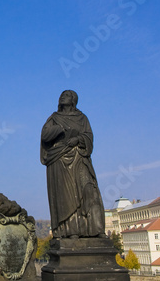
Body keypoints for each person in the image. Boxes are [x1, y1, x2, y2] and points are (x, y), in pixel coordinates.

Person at [40, 90, 106, 238]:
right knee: (67, 196)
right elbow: (45, 135)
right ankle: (71, 231)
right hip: (60, 159)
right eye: (62, 95)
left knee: (89, 190)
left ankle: (96, 229)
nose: (63, 97)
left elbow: (89, 136)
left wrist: (78, 140)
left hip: (79, 156)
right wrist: (60, 129)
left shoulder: (82, 118)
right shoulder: (54, 118)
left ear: (74, 100)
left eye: (67, 95)